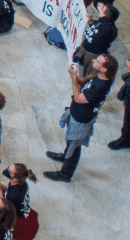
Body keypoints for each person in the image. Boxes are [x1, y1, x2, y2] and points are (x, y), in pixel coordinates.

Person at [44, 54, 117, 182]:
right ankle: (65, 155)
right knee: (71, 142)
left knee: (75, 147)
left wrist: (73, 79)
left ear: (105, 69)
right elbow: (81, 83)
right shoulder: (97, 76)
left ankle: (65, 174)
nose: (93, 60)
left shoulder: (101, 86)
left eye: (97, 61)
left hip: (81, 119)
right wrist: (74, 76)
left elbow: (79, 98)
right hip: (76, 113)